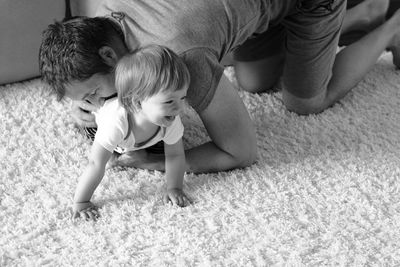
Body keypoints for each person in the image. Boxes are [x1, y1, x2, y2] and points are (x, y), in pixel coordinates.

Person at [39, 0, 400, 173]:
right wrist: (82, 105)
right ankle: (363, 12)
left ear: (107, 54)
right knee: (254, 82)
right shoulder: (103, 20)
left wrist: (155, 162)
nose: (98, 102)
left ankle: (390, 28)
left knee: (304, 102)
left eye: (93, 93)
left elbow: (241, 152)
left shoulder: (177, 57)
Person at [71, 45, 191, 220]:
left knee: (158, 148)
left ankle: (134, 147)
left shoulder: (170, 119)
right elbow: (95, 164)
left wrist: (174, 187)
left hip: (138, 135)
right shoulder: (114, 122)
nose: (179, 108)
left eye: (182, 97)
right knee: (100, 147)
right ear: (137, 103)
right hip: (99, 121)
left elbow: (175, 156)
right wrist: (81, 202)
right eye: (169, 101)